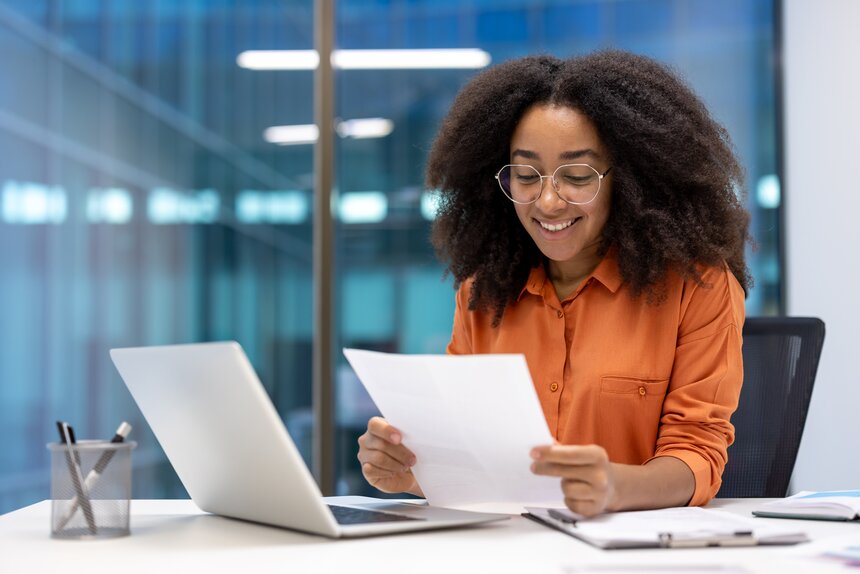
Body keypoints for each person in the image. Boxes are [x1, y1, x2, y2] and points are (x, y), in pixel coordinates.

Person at [356, 50, 750, 516]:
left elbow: (698, 456)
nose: (547, 201)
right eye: (526, 176)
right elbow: (470, 460)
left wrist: (614, 487)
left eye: (577, 176)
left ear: (629, 179)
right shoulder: (483, 295)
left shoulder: (697, 286)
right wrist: (410, 470)